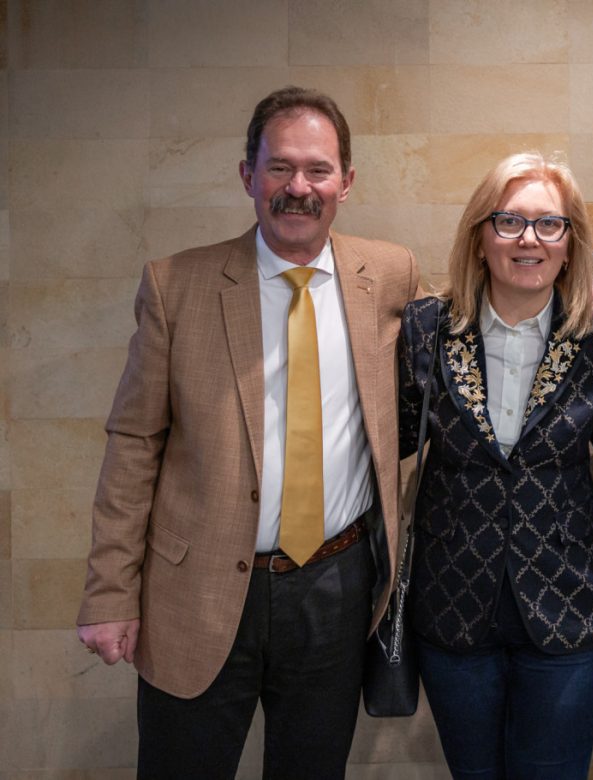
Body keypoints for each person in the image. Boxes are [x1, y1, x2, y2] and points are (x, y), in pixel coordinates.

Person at [75, 86, 419, 778]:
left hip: (336, 586)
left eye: (318, 170)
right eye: (279, 167)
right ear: (247, 175)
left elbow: (476, 322)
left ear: (347, 181)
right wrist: (110, 590)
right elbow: (134, 444)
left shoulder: (389, 276)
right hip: (197, 591)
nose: (299, 187)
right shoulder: (177, 286)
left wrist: (578, 293)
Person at [397, 152, 593, 780]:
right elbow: (389, 439)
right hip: (452, 602)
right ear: (480, 237)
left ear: (570, 244)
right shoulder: (427, 329)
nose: (529, 239)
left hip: (568, 602)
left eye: (550, 224)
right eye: (509, 221)